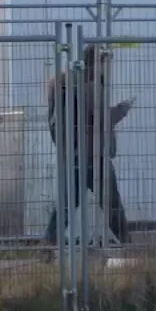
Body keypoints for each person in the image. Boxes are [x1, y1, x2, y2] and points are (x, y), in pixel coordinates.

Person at [43, 45, 133, 246]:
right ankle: (130, 246)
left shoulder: (69, 85)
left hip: (75, 155)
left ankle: (47, 247)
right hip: (95, 156)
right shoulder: (91, 86)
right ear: (98, 64)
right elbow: (100, 118)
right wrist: (122, 109)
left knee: (66, 206)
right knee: (112, 206)